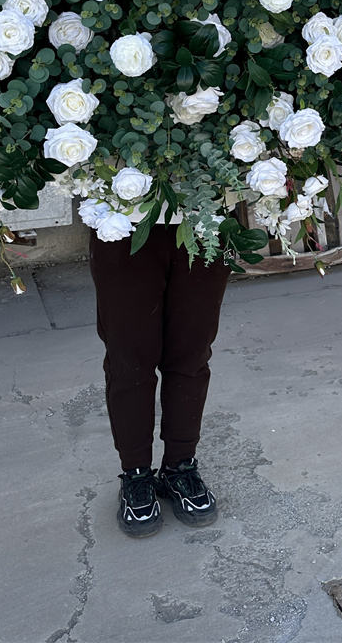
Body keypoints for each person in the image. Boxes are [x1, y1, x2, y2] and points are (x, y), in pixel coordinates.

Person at [89, 224, 231, 536]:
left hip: (205, 221)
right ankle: (136, 472)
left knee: (191, 354)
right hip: (123, 220)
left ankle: (179, 466)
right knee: (129, 360)